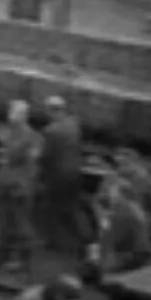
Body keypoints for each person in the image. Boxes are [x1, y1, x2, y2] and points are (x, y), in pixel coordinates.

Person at [0, 99, 42, 272]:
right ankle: (1, 256)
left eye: (15, 113)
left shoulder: (30, 137)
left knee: (21, 224)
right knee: (3, 222)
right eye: (11, 112)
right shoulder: (13, 133)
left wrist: (22, 186)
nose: (10, 116)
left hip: (19, 188)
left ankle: (23, 261)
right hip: (6, 184)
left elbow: (18, 158)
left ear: (24, 116)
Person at [36, 97, 87, 258]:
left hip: (58, 176)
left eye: (48, 111)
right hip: (75, 173)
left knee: (51, 209)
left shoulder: (51, 131)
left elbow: (45, 156)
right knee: (71, 209)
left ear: (52, 110)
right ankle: (83, 242)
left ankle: (53, 242)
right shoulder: (74, 125)